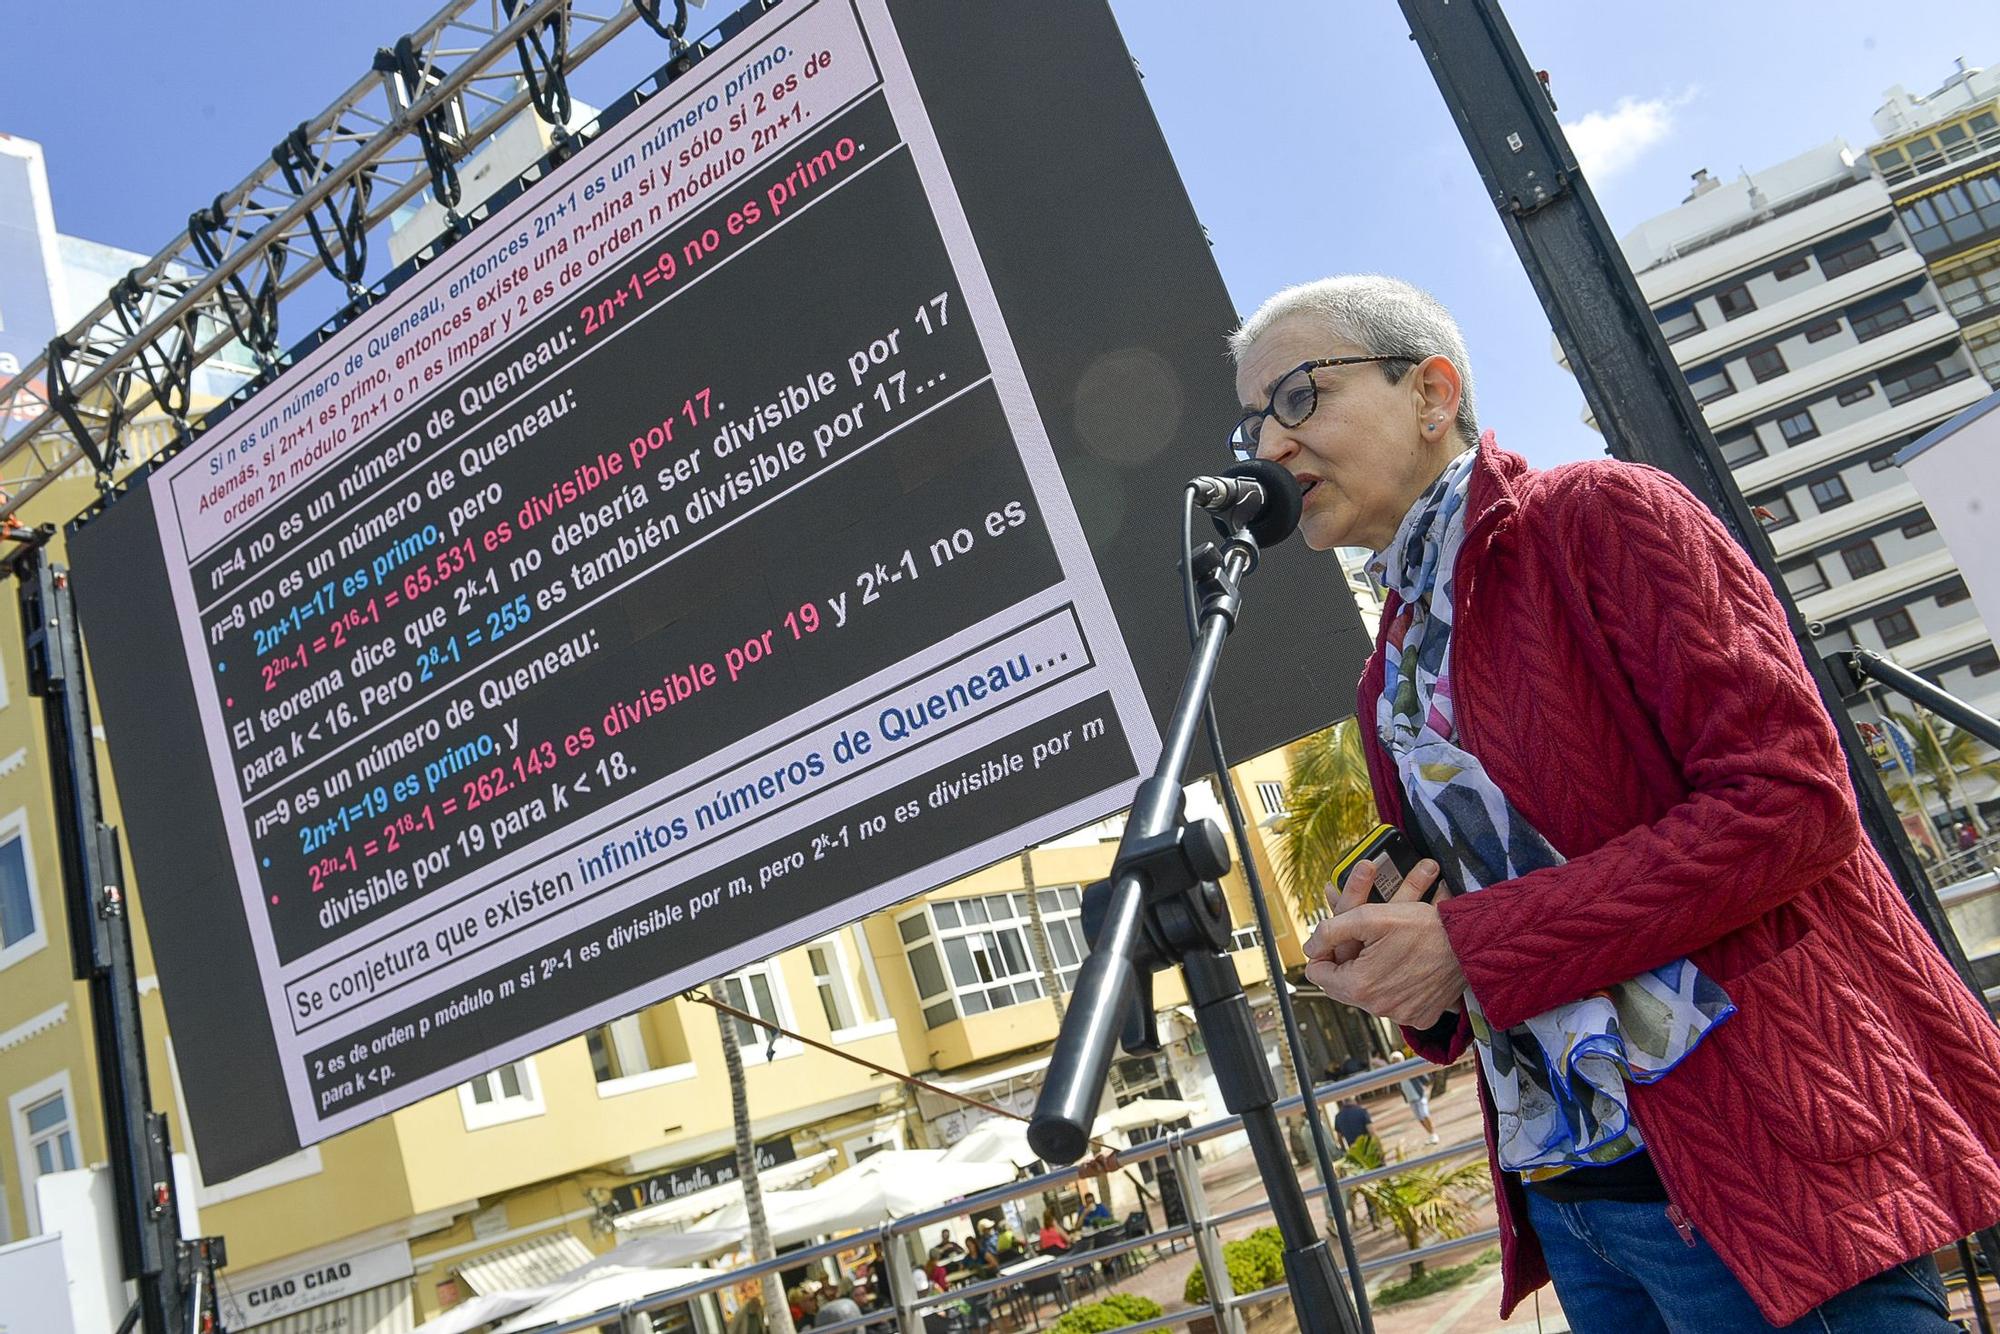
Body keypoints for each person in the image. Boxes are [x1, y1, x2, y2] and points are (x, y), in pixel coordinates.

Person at [1233, 274, 2000, 1331]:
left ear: (1431, 390)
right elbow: (1516, 929)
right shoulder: (1392, 664)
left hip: (1755, 1166)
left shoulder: (1598, 514)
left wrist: (1471, 939)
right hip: (1575, 1204)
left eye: (1296, 395)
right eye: (1248, 422)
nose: (1266, 446)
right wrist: (1415, 975)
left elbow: (1790, 804)